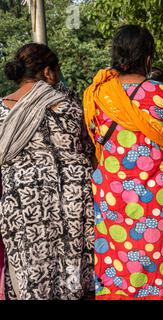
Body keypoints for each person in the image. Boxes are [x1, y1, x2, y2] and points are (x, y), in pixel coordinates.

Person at [83, 25, 163, 300]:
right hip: (156, 191)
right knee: (162, 252)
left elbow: (94, 139)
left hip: (113, 193)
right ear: (148, 59)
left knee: (118, 256)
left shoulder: (97, 95)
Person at [0, 43, 94, 299]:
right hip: (74, 202)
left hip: (25, 205)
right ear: (49, 72)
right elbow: (89, 150)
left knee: (33, 278)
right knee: (74, 279)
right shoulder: (72, 104)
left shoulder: (2, 110)